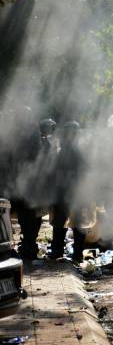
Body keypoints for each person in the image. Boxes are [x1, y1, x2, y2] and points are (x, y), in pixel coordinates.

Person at [11, 106, 44, 259]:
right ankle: (30, 244)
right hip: (27, 182)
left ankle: (29, 244)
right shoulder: (31, 134)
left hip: (29, 182)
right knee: (29, 216)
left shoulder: (29, 134)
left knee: (28, 216)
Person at [51, 121, 87, 262]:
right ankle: (76, 254)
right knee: (76, 224)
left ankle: (58, 252)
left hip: (68, 193)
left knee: (62, 223)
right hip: (73, 193)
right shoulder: (79, 150)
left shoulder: (68, 151)